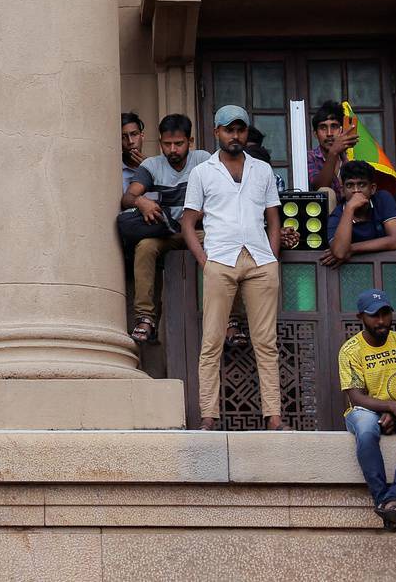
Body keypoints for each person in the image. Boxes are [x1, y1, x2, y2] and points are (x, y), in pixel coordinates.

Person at [181, 105, 285, 430]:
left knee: (266, 343)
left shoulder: (262, 170)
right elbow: (188, 222)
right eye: (228, 129)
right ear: (217, 132)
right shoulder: (202, 172)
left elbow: (273, 219)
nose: (234, 135)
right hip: (220, 259)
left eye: (240, 129)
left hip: (259, 260)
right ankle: (209, 417)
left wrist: (272, 256)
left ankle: (274, 417)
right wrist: (205, 260)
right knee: (211, 341)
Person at [339, 288, 396, 531]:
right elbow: (356, 397)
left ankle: (394, 499)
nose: (381, 321)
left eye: (385, 314)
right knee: (367, 429)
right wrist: (390, 406)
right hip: (363, 410)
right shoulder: (350, 350)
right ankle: (382, 499)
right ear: (360, 318)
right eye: (374, 315)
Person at [119, 114, 213, 345]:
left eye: (178, 144)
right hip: (169, 234)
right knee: (145, 246)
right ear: (160, 142)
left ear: (189, 142)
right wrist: (141, 202)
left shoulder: (203, 160)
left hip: (200, 231)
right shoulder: (152, 165)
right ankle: (145, 318)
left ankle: (230, 318)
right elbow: (128, 196)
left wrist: (195, 215)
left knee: (221, 243)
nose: (172, 149)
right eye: (167, 144)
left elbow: (219, 194)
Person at [321, 161, 396, 268]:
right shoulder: (337, 215)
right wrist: (349, 208)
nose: (356, 191)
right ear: (342, 191)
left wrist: (351, 248)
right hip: (353, 273)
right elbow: (340, 252)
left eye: (362, 185)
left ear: (372, 189)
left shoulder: (382, 199)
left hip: (387, 268)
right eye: (350, 185)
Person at [305, 100, 354, 192]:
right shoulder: (309, 157)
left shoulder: (351, 155)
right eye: (323, 128)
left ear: (342, 130)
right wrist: (333, 152)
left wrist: (345, 159)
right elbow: (320, 189)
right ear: (315, 134)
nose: (329, 133)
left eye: (334, 126)